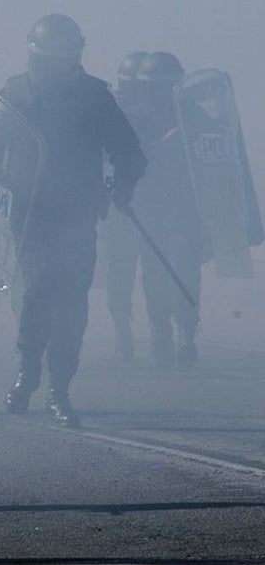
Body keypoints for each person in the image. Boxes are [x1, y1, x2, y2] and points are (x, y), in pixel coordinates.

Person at [0, 14, 146, 427]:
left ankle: (59, 388)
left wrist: (122, 185)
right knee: (39, 291)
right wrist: (0, 188)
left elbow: (129, 152)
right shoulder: (14, 95)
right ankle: (27, 374)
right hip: (29, 214)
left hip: (77, 213)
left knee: (71, 300)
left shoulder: (94, 97)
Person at [128, 52, 204, 369]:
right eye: (154, 87)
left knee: (187, 269)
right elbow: (126, 156)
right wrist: (162, 145)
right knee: (155, 271)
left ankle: (186, 332)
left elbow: (217, 148)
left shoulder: (194, 115)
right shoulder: (133, 118)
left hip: (187, 206)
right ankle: (160, 329)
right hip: (150, 206)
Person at [101, 51, 149, 361]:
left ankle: (161, 330)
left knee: (153, 274)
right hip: (120, 204)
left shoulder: (165, 111)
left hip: (157, 203)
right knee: (119, 272)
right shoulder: (111, 110)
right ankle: (122, 328)